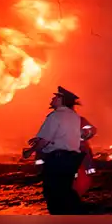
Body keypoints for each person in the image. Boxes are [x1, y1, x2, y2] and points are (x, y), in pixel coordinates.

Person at [22, 86, 84, 214]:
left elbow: (44, 141)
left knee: (53, 194)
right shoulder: (74, 116)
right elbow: (63, 135)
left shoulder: (55, 116)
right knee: (66, 191)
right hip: (71, 161)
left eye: (55, 97)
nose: (52, 99)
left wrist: (30, 151)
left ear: (61, 100)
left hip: (58, 161)